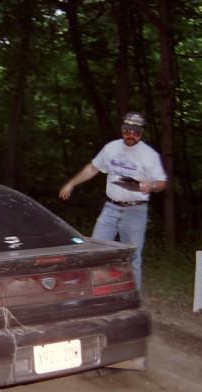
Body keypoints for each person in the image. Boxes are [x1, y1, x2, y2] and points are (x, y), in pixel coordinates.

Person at [58, 111, 167, 290]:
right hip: (111, 208)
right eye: (127, 130)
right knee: (95, 251)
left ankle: (134, 299)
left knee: (132, 256)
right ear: (122, 129)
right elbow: (92, 168)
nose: (131, 135)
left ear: (141, 133)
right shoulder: (111, 148)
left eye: (136, 132)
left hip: (135, 211)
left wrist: (151, 186)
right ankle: (94, 294)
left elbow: (162, 182)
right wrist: (71, 184)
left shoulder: (149, 155)